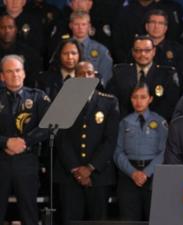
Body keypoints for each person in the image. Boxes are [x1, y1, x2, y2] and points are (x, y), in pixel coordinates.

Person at [54, 61, 119, 225]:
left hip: (99, 174)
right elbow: (62, 140)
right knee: (70, 219)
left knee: (98, 220)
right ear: (75, 77)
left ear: (95, 76)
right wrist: (76, 169)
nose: (86, 77)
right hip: (70, 175)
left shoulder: (109, 102)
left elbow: (110, 140)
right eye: (81, 73)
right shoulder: (65, 100)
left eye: (89, 73)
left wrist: (90, 168)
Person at [0, 54, 51, 225]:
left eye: (18, 70)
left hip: (27, 161)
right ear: (2, 76)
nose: (15, 75)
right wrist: (6, 142)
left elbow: (49, 125)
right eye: (9, 71)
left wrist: (25, 142)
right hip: (1, 161)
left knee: (29, 212)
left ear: (24, 73)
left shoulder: (37, 97)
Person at [114, 82, 167, 221]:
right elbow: (118, 152)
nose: (138, 101)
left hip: (152, 173)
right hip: (128, 174)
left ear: (150, 99)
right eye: (135, 97)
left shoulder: (160, 122)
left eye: (143, 97)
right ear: (130, 99)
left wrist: (146, 173)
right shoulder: (124, 122)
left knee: (153, 217)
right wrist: (133, 173)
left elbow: (164, 152)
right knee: (129, 217)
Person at [108, 35, 180, 121]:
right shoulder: (120, 72)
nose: (142, 54)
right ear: (133, 52)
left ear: (154, 51)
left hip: (157, 126)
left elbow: (170, 105)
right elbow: (113, 101)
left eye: (147, 50)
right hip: (124, 124)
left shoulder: (167, 74)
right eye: (138, 50)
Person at [145, 9, 183, 92]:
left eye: (160, 23)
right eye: (153, 22)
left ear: (166, 28)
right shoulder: (138, 48)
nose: (156, 26)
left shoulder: (178, 50)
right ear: (146, 26)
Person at [68, 11, 113, 86]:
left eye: (83, 24)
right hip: (68, 90)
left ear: (89, 26)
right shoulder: (62, 49)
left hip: (94, 91)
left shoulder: (101, 50)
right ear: (70, 25)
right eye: (76, 24)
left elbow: (105, 77)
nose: (80, 28)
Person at [0, 14, 42, 88]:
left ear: (16, 29)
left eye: (10, 27)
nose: (7, 31)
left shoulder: (29, 53)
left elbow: (34, 80)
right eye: (2, 27)